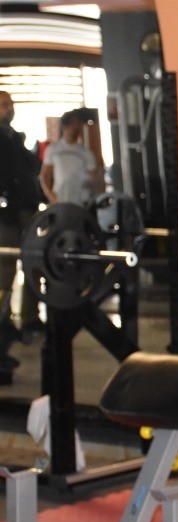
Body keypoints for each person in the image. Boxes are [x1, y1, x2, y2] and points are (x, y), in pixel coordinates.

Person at [0, 90, 44, 342]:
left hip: (26, 209)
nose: (10, 108)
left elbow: (30, 169)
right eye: (4, 105)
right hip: (6, 214)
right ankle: (3, 323)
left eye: (11, 104)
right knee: (5, 271)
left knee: (33, 263)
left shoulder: (15, 138)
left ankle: (29, 317)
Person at [39, 109, 100, 206]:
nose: (76, 127)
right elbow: (45, 176)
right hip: (60, 200)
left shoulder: (86, 153)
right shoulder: (53, 150)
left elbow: (94, 178)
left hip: (81, 202)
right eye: (73, 124)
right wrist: (51, 196)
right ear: (64, 126)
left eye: (79, 124)